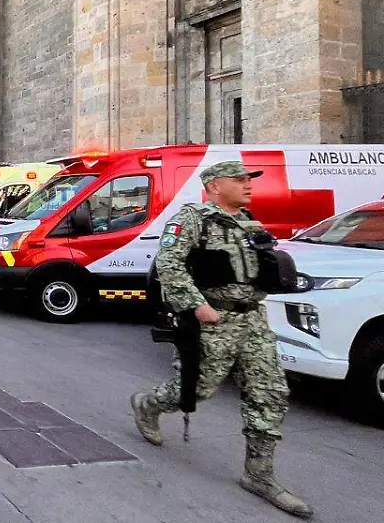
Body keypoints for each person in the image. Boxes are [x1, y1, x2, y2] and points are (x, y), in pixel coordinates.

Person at [130, 161, 311, 519]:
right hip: (214, 320)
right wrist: (197, 305)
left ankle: (259, 475)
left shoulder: (248, 221)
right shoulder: (193, 219)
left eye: (249, 179)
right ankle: (149, 405)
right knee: (196, 389)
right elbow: (169, 264)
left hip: (253, 320)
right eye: (239, 179)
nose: (248, 185)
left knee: (270, 393)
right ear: (214, 186)